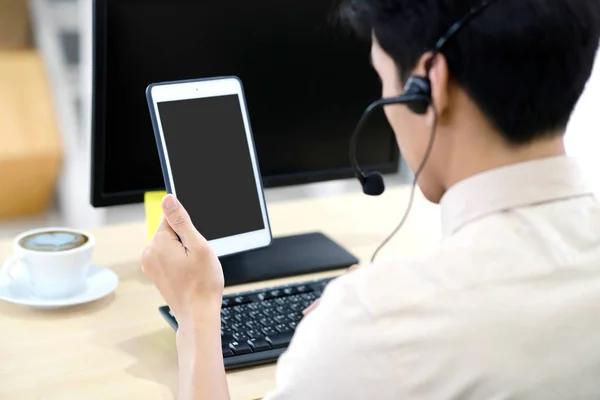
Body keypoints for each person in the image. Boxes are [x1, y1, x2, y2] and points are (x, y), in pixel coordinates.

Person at [140, 0, 600, 398]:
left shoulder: (373, 326)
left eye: (383, 79)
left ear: (429, 85)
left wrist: (197, 311)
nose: (385, 99)